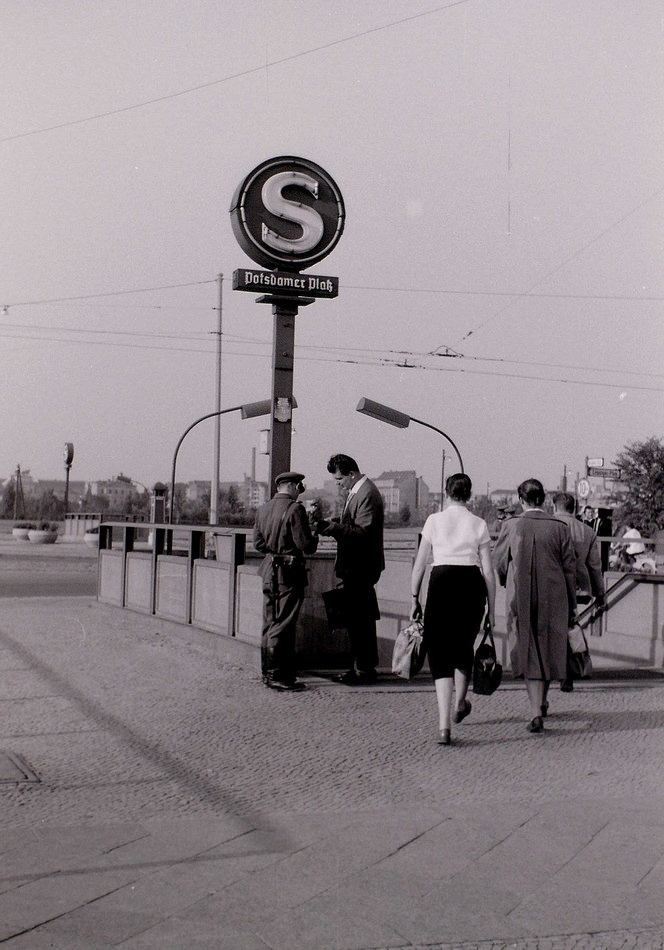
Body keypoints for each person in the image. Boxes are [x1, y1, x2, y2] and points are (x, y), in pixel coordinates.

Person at [410, 473, 496, 746]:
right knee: (463, 648)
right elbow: (489, 572)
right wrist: (491, 609)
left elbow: (420, 564)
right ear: (469, 495)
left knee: (440, 655)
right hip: (471, 585)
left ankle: (444, 726)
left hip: (442, 583)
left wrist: (414, 597)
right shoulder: (479, 524)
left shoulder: (434, 521)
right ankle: (460, 702)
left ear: (446, 493)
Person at [493, 478, 577, 733]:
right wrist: (571, 604)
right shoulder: (560, 527)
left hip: (522, 595)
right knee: (550, 647)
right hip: (555, 596)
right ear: (543, 499)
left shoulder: (512, 525)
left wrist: (508, 580)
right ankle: (541, 703)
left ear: (521, 500)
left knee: (528, 649)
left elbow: (498, 562)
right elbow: (570, 569)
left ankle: (534, 712)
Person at [317, 454, 385, 685]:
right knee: (358, 619)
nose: (338, 484)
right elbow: (353, 522)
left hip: (361, 566)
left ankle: (363, 670)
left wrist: (333, 528)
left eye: (339, 480)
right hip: (357, 566)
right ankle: (360, 667)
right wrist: (332, 521)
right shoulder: (359, 491)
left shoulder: (366, 494)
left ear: (351, 474)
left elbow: (363, 533)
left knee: (360, 620)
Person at [253, 471, 318, 691]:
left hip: (269, 570)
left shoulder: (263, 509)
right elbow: (305, 545)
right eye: (299, 487)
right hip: (289, 573)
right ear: (291, 486)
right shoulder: (295, 509)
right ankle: (277, 675)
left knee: (269, 621)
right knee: (283, 623)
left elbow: (258, 544)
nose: (300, 491)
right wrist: (314, 533)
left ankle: (267, 671)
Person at [552, 491, 606, 692]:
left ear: (555, 507)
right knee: (570, 625)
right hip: (578, 588)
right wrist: (600, 593)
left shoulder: (549, 526)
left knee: (551, 629)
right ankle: (569, 669)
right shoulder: (587, 531)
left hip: (553, 587)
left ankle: (557, 671)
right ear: (573, 508)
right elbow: (594, 566)